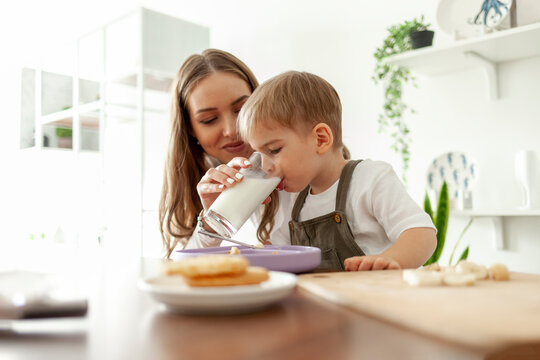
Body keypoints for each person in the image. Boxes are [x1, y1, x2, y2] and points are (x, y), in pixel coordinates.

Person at [237, 71, 437, 271]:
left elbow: (422, 233)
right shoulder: (291, 202)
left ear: (321, 139)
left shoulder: (370, 179)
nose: (264, 166)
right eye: (259, 154)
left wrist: (391, 260)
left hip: (383, 296)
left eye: (273, 150)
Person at [159, 49, 281, 258]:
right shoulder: (203, 179)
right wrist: (211, 221)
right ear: (190, 129)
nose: (232, 130)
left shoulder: (296, 161)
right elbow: (186, 264)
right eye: (209, 119)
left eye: (241, 109)